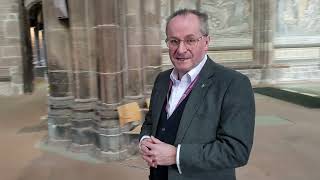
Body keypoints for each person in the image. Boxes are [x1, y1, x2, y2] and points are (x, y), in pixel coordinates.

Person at [139, 9, 255, 180]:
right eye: (173, 41)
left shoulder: (234, 84)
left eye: (190, 40)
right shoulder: (162, 80)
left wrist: (176, 156)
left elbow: (236, 151)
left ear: (206, 42)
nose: (180, 49)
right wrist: (145, 140)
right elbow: (150, 121)